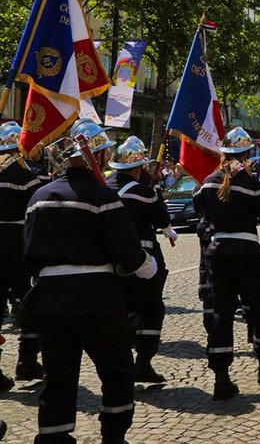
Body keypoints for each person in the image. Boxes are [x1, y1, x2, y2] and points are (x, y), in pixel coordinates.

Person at [23, 120, 158, 441]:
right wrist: (147, 266)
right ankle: (113, 436)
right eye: (104, 153)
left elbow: (27, 251)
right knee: (117, 372)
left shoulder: (38, 197)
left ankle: (53, 439)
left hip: (50, 300)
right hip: (97, 299)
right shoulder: (103, 197)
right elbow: (126, 252)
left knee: (57, 379)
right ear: (94, 156)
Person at [193, 127, 260, 399]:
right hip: (247, 253)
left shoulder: (207, 183)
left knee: (221, 313)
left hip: (218, 253)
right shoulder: (253, 186)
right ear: (246, 154)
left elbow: (202, 221)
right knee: (257, 309)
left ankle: (221, 377)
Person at [106, 136, 174, 384]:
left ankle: (120, 364)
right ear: (136, 168)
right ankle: (143, 363)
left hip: (111, 260)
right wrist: (155, 193)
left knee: (121, 310)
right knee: (152, 309)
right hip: (142, 257)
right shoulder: (142, 191)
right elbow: (162, 219)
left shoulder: (103, 187)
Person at [0, 122, 41, 386]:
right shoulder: (25, 175)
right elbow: (37, 211)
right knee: (31, 302)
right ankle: (27, 360)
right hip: (18, 243)